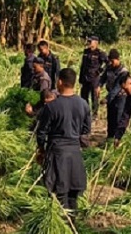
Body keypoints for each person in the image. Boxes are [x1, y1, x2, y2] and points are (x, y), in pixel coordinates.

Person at [35, 68, 91, 213]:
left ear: (60, 82)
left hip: (57, 153)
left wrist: (41, 150)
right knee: (73, 193)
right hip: (75, 152)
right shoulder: (83, 104)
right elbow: (86, 130)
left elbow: (41, 132)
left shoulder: (52, 107)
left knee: (59, 191)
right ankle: (72, 222)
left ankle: (63, 223)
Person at [101, 49, 129, 140]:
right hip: (111, 97)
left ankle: (118, 139)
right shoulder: (109, 67)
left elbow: (117, 88)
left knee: (118, 119)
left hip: (120, 97)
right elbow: (103, 78)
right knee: (110, 118)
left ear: (118, 59)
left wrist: (106, 98)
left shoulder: (124, 72)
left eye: (112, 61)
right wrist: (98, 86)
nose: (111, 63)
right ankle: (109, 138)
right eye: (110, 61)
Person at [79, 37, 108, 117]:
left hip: (94, 79)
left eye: (90, 41)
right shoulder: (86, 52)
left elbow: (108, 63)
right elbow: (83, 65)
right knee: (84, 96)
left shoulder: (100, 53)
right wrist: (80, 78)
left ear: (96, 42)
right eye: (88, 41)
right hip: (85, 78)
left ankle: (95, 115)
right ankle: (85, 113)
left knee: (94, 97)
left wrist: (99, 71)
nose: (89, 42)